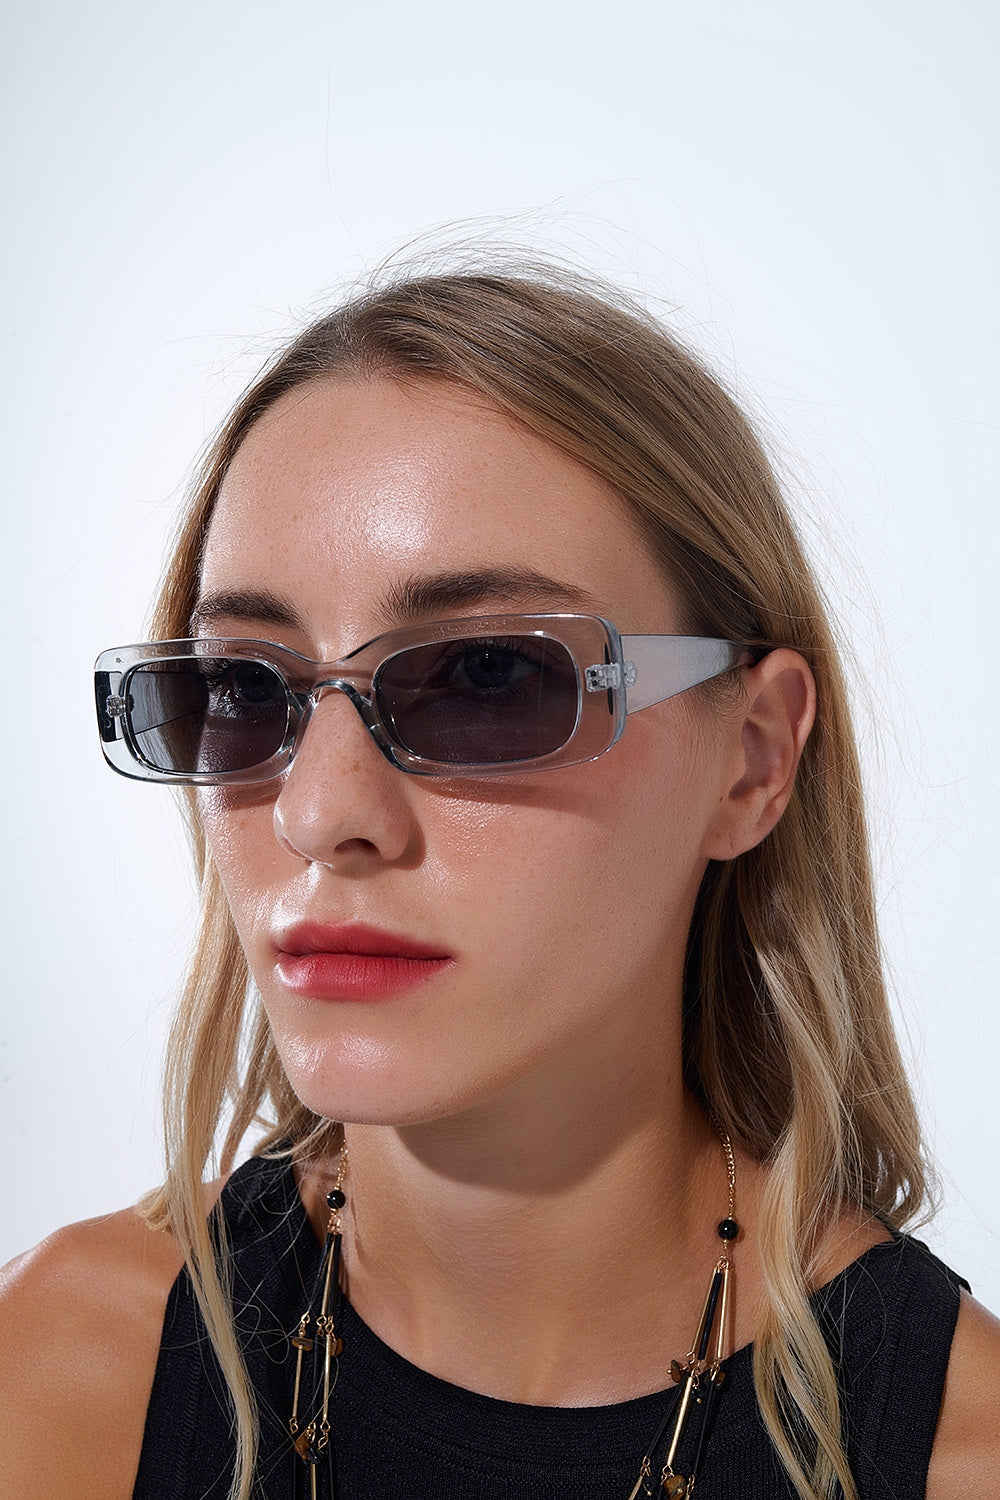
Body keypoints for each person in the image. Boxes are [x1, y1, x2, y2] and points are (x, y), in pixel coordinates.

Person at [1, 268, 998, 1500]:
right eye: (244, 688)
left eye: (486, 676)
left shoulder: (962, 1455)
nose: (320, 813)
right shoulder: (56, 1374)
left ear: (751, 758)